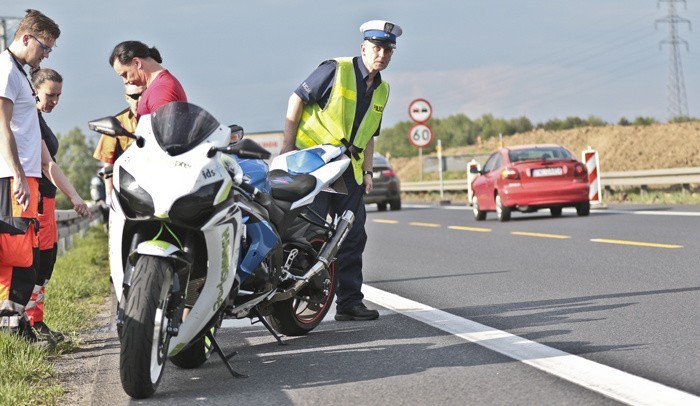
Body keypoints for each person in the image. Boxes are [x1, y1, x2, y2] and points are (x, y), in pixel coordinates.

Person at [280, 20, 402, 321]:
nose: (382, 54)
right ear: (363, 48)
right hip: (315, 166)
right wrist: (287, 145)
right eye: (376, 48)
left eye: (388, 50)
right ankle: (294, 298)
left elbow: (370, 134)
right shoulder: (337, 69)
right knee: (310, 232)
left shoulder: (383, 90)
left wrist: (370, 172)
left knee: (352, 235)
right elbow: (297, 98)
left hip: (349, 171)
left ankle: (349, 303)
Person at [0, 9, 60, 344]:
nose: (47, 54)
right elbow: (2, 124)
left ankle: (14, 323)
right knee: (17, 254)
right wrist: (19, 175)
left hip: (23, 176)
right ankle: (12, 328)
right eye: (45, 46)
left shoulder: (19, 72)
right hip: (12, 177)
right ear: (26, 38)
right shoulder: (6, 70)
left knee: (25, 256)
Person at [25, 68, 89, 343]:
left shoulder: (38, 118)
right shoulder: (28, 117)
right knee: (35, 266)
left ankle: (36, 321)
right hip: (36, 199)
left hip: (47, 201)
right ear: (35, 90)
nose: (55, 101)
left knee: (46, 265)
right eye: (50, 95)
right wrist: (75, 196)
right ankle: (28, 324)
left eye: (59, 96)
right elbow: (46, 164)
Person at [92, 83, 146, 207]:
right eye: (134, 96)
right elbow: (107, 162)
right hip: (126, 188)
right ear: (126, 97)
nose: (139, 100)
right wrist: (109, 194)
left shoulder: (157, 118)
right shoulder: (117, 122)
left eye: (143, 95)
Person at [108, 40, 186, 120]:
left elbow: (165, 130)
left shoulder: (160, 89)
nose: (125, 81)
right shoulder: (159, 86)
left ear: (137, 63)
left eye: (125, 74)